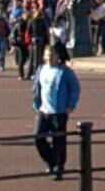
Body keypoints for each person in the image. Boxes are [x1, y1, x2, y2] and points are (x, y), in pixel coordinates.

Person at [30, 43, 77, 181]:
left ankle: (59, 167)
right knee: (38, 137)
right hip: (44, 110)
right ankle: (51, 160)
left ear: (58, 56)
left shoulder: (64, 71)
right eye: (47, 55)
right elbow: (36, 87)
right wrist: (36, 103)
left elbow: (75, 88)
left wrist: (71, 105)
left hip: (59, 111)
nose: (49, 58)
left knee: (59, 141)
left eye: (52, 55)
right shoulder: (41, 69)